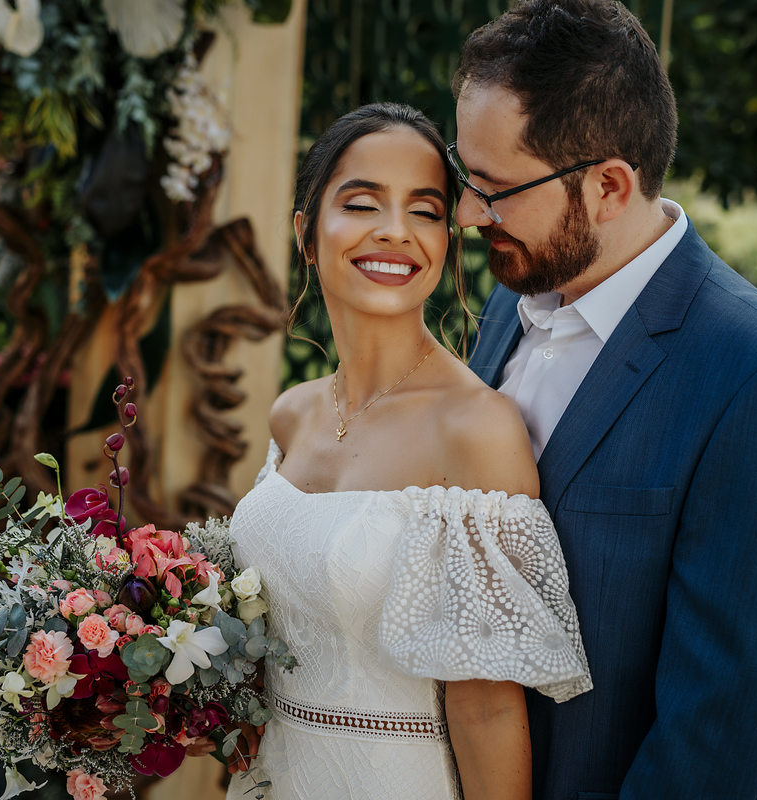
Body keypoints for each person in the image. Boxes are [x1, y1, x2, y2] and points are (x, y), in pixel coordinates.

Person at [451, 2, 757, 798]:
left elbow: (715, 739)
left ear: (607, 187)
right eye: (464, 177)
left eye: (492, 188)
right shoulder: (512, 299)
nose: (466, 214)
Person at [219, 102, 592, 800]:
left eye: (425, 211)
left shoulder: (474, 429)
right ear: (307, 232)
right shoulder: (292, 414)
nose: (395, 232)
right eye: (362, 203)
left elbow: (486, 707)